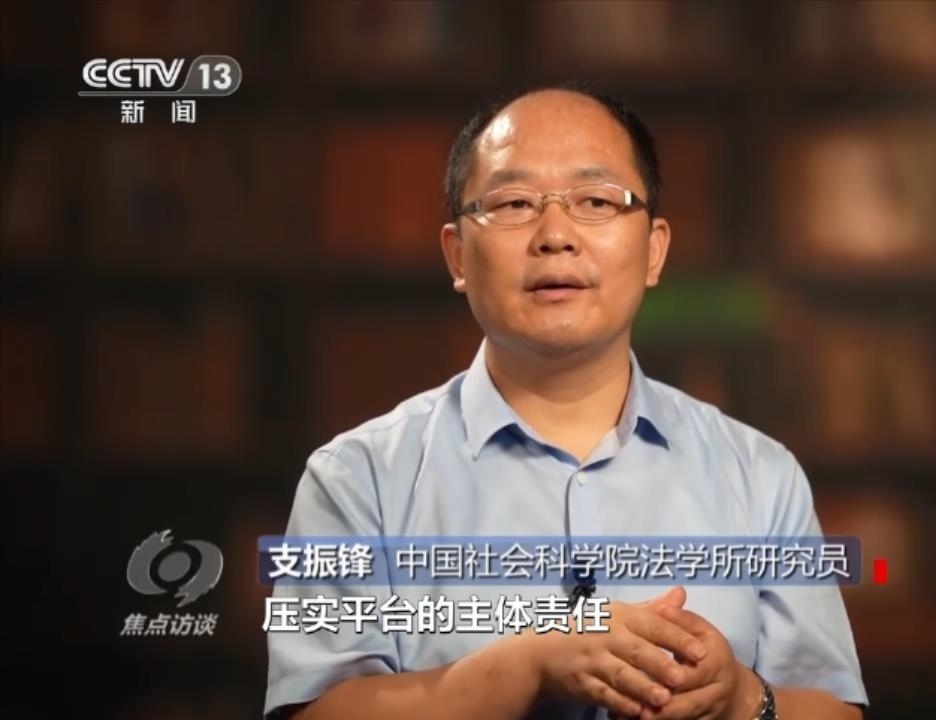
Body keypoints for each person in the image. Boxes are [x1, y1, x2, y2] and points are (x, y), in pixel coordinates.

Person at [264, 84, 868, 720]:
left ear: (654, 250)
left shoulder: (761, 475)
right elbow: (315, 711)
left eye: (596, 201)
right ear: (457, 255)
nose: (556, 235)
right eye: (514, 203)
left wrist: (744, 699)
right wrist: (528, 666)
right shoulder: (357, 479)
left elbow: (834, 709)